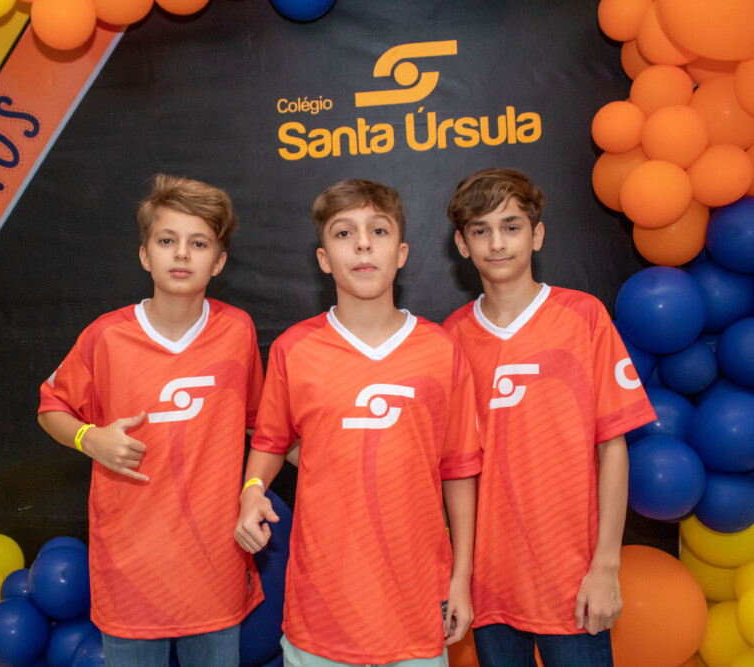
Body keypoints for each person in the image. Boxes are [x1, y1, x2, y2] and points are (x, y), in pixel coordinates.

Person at [235, 179, 481, 666]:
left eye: (378, 230)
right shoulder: (293, 349)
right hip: (320, 611)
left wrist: (461, 578)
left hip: (417, 607)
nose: (363, 244)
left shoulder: (441, 350)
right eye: (344, 233)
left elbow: (458, 470)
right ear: (324, 259)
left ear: (401, 253)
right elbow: (269, 442)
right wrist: (250, 492)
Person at [38, 174, 264, 667]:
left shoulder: (237, 331)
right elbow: (51, 406)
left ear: (219, 261)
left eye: (198, 243)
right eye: (167, 241)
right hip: (130, 568)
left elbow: (261, 428)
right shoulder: (106, 336)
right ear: (145, 255)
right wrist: (88, 438)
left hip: (215, 565)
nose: (181, 254)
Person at [442, 167, 656, 667]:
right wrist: (460, 576)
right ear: (462, 244)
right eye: (481, 230)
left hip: (573, 581)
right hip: (490, 584)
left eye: (511, 227)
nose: (497, 243)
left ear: (536, 235)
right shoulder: (450, 338)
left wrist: (606, 566)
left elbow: (612, 446)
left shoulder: (584, 317)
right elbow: (455, 470)